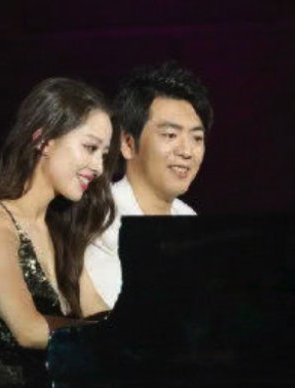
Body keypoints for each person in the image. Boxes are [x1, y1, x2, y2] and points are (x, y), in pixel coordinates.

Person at [0, 77, 119, 388]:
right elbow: (29, 329)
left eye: (104, 155)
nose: (98, 166)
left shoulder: (61, 233)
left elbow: (97, 311)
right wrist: (116, 335)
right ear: (44, 140)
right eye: (90, 148)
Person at [80, 62, 214, 315]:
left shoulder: (188, 218)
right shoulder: (97, 216)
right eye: (170, 135)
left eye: (197, 138)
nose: (187, 151)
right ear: (128, 144)